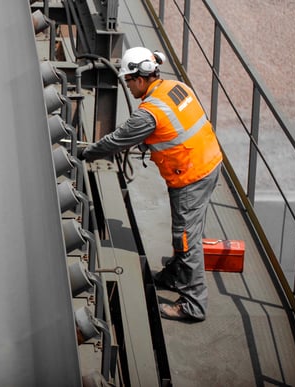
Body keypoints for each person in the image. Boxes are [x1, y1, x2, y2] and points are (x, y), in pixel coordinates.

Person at [78, 47, 223, 322]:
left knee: (185, 238)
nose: (129, 87)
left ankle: (194, 305)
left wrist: (86, 152)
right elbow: (177, 125)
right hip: (209, 163)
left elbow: (116, 141)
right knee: (186, 231)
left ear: (140, 78)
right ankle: (175, 276)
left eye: (129, 81)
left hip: (190, 177)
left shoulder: (148, 113)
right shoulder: (176, 88)